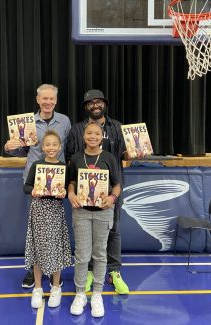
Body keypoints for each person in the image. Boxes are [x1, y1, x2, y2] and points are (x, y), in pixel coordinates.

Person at [4, 84, 71, 288]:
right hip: (35, 183)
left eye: (51, 99)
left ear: (56, 100)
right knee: (35, 231)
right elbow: (21, 151)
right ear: (38, 100)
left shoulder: (65, 121)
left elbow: (69, 148)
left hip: (57, 183)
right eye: (44, 99)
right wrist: (10, 148)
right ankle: (34, 272)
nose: (48, 102)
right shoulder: (28, 122)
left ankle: (53, 270)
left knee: (55, 231)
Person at [65, 89, 131, 295]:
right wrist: (73, 191)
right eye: (91, 103)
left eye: (99, 102)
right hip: (85, 197)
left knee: (114, 231)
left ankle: (114, 272)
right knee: (87, 237)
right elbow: (70, 162)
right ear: (86, 107)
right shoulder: (76, 130)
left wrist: (137, 151)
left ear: (104, 104)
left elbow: (126, 156)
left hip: (111, 192)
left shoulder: (117, 127)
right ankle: (90, 272)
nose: (95, 105)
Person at [68, 121, 121, 317]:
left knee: (100, 253)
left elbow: (116, 185)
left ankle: (97, 293)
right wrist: (71, 194)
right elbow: (71, 182)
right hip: (81, 211)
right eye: (89, 133)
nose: (92, 136)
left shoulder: (108, 158)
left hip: (103, 212)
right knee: (82, 255)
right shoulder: (75, 158)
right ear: (83, 136)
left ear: (102, 137)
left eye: (96, 134)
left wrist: (112, 197)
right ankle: (80, 293)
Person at [24, 130, 72, 308]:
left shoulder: (64, 168)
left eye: (54, 144)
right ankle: (37, 288)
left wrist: (65, 193)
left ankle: (56, 287)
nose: (51, 148)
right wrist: (33, 191)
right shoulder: (37, 165)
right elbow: (26, 187)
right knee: (38, 249)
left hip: (55, 211)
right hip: (38, 210)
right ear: (43, 147)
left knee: (55, 248)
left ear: (59, 147)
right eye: (47, 145)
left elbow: (67, 190)